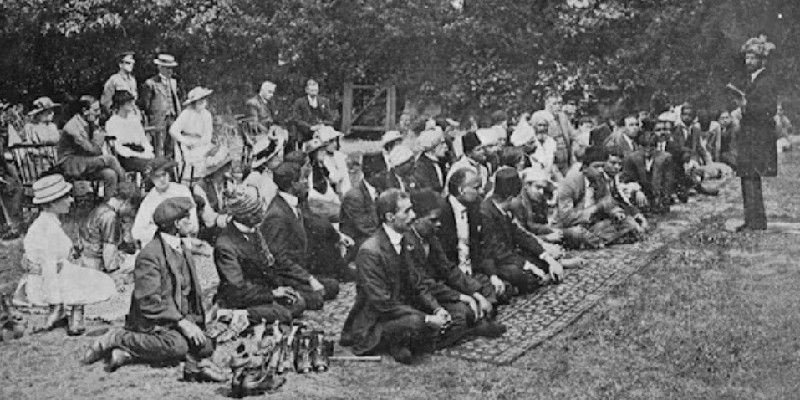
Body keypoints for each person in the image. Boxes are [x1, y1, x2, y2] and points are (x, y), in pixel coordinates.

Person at [81, 198, 227, 381]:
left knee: (205, 346)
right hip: (153, 321)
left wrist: (195, 321)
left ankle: (129, 354)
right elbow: (149, 302)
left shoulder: (182, 247)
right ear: (176, 224)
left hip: (176, 318)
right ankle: (117, 338)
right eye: (187, 219)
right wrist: (183, 323)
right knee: (178, 346)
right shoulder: (149, 255)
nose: (191, 222)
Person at [339, 189, 455, 364]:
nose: (413, 215)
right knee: (417, 322)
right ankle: (402, 342)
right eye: (407, 211)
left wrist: (437, 308)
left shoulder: (404, 240)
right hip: (376, 322)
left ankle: (404, 343)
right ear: (390, 217)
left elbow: (417, 284)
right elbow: (383, 304)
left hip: (400, 311)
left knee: (455, 314)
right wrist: (428, 318)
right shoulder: (370, 251)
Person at [12, 174, 116, 335]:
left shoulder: (50, 221)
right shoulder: (47, 228)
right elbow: (49, 268)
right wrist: (55, 303)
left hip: (55, 273)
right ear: (53, 203)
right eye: (66, 197)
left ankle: (74, 309)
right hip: (45, 283)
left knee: (100, 280)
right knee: (103, 284)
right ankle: (63, 311)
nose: (71, 200)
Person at [405, 189, 504, 337]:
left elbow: (449, 268)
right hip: (419, 295)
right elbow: (422, 284)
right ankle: (469, 329)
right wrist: (460, 296)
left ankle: (476, 318)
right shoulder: (407, 243)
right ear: (416, 219)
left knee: (480, 288)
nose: (438, 224)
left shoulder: (430, 236)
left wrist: (476, 294)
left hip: (436, 288)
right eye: (433, 220)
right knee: (462, 313)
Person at [213, 186, 306, 324]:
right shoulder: (225, 245)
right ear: (244, 215)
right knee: (283, 314)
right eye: (256, 212)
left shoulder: (254, 231)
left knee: (299, 302)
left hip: (261, 294)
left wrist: (279, 289)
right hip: (241, 299)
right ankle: (233, 315)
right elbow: (237, 290)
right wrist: (272, 294)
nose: (262, 212)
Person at [262, 162, 340, 310]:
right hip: (284, 275)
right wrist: (308, 278)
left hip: (298, 270)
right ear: (293, 184)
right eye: (303, 179)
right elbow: (279, 259)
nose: (307, 183)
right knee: (316, 299)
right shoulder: (277, 215)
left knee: (332, 286)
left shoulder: (292, 203)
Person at [480, 167, 564, 294]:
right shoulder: (486, 213)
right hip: (496, 262)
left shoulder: (504, 209)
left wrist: (548, 258)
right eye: (518, 197)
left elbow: (521, 235)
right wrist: (529, 266)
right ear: (510, 198)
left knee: (540, 261)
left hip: (510, 256)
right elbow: (498, 252)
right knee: (523, 275)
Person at [730, 35, 780, 231]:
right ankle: (752, 219)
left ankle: (756, 221)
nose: (748, 61)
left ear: (762, 60)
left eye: (753, 58)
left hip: (758, 137)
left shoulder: (766, 80)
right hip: (750, 135)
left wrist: (745, 106)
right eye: (747, 57)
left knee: (752, 176)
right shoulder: (753, 79)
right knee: (747, 176)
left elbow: (769, 109)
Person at [438, 168, 503, 304]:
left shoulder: (474, 208)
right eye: (476, 188)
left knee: (496, 293)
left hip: (472, 270)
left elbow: (481, 246)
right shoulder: (441, 212)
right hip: (453, 274)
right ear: (462, 190)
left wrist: (492, 275)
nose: (480, 192)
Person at [59, 95, 127, 200]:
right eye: (95, 110)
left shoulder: (88, 122)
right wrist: (97, 134)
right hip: (71, 164)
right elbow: (93, 150)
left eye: (99, 109)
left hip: (85, 163)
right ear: (85, 111)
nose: (99, 113)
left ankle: (109, 206)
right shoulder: (72, 128)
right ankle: (126, 193)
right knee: (110, 159)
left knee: (110, 174)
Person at [131, 157, 198, 246]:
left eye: (164, 174)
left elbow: (193, 221)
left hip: (184, 239)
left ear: (169, 174)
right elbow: (136, 232)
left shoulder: (182, 190)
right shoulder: (150, 200)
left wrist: (187, 227)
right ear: (151, 179)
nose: (162, 179)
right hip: (162, 243)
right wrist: (158, 231)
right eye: (157, 176)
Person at [78, 182, 141, 273]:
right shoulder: (110, 217)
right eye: (132, 208)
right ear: (126, 202)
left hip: (86, 257)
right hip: (96, 265)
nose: (130, 213)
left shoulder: (101, 208)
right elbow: (109, 262)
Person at [620, 131, 674, 214]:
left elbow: (668, 181)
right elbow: (627, 179)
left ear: (656, 146)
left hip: (658, 195)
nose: (647, 149)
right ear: (639, 146)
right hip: (639, 194)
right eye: (644, 146)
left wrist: (664, 199)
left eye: (651, 146)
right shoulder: (632, 158)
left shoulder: (665, 157)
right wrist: (637, 191)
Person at [340, 158, 382, 262]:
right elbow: (365, 228)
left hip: (373, 237)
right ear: (373, 174)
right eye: (383, 173)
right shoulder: (354, 196)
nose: (386, 176)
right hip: (358, 243)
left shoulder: (378, 189)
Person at [170, 86, 216, 181]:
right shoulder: (186, 113)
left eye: (203, 99)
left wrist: (198, 144)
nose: (202, 102)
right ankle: (187, 180)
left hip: (201, 143)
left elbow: (208, 136)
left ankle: (203, 181)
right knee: (188, 159)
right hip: (185, 143)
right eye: (199, 100)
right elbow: (173, 130)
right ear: (193, 102)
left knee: (212, 156)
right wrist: (185, 141)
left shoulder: (207, 115)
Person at [141, 53, 182, 158]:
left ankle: (170, 172)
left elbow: (174, 100)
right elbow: (145, 105)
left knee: (171, 148)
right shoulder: (150, 83)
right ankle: (159, 172)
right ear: (160, 67)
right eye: (167, 68)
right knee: (158, 149)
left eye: (171, 68)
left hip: (172, 119)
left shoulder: (173, 82)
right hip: (158, 120)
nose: (170, 71)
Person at [106, 90, 155, 173]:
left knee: (163, 164)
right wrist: (135, 154)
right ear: (121, 104)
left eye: (133, 102)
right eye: (129, 103)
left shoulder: (134, 119)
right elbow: (117, 147)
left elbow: (143, 139)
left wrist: (148, 151)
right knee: (150, 167)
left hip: (140, 151)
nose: (133, 105)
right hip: (126, 156)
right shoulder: (112, 122)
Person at [291, 79, 338, 147]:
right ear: (306, 90)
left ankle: (330, 152)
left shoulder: (324, 101)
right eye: (312, 90)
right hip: (306, 130)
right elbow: (296, 119)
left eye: (316, 90)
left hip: (321, 128)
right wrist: (310, 127)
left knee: (331, 133)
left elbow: (330, 119)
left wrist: (322, 124)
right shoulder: (299, 102)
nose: (314, 92)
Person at [242, 134, 285, 208]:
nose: (280, 158)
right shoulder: (258, 178)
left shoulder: (267, 175)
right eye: (276, 155)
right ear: (267, 161)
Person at [542, 93, 575, 173]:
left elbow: (573, 135)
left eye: (560, 103)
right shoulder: (541, 118)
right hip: (550, 161)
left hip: (565, 159)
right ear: (547, 104)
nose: (558, 106)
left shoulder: (563, 117)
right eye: (554, 103)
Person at [315, 126, 351, 196]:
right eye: (331, 141)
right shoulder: (322, 158)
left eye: (335, 140)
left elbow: (343, 173)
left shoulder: (338, 155)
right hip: (330, 194)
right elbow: (334, 178)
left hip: (345, 190)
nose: (334, 144)